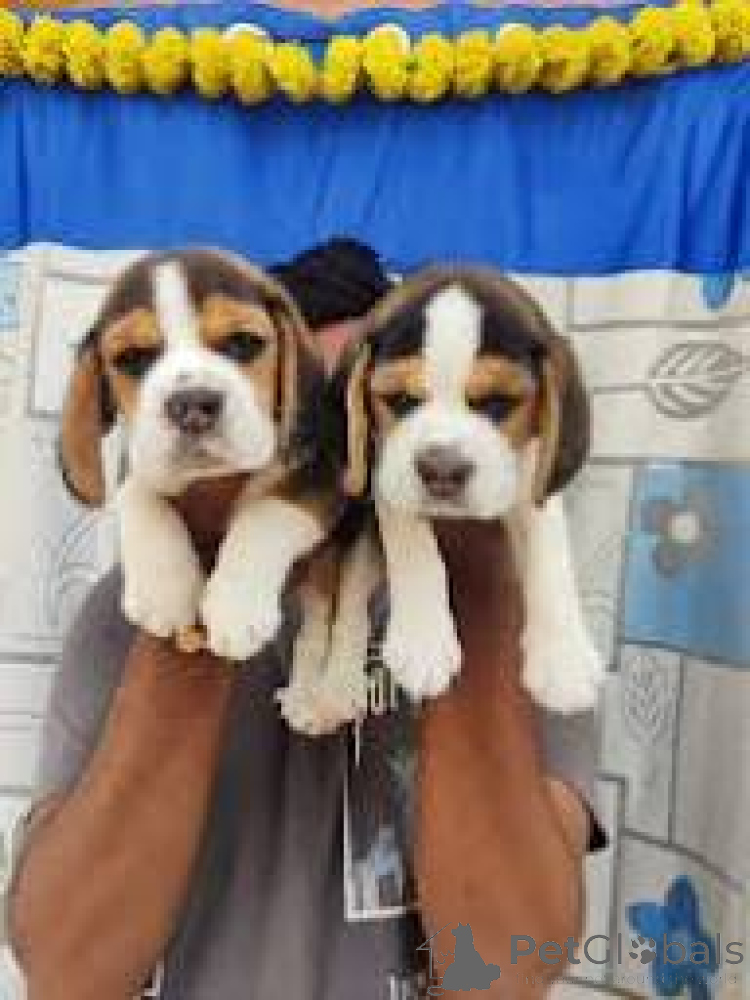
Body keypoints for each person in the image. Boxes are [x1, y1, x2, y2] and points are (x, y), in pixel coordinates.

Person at [5, 240, 605, 1000]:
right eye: (307, 421)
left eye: (359, 415)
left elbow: (507, 969)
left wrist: (478, 576)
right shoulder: (121, 618)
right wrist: (203, 575)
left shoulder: (537, 631)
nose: (329, 461)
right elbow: (68, 972)